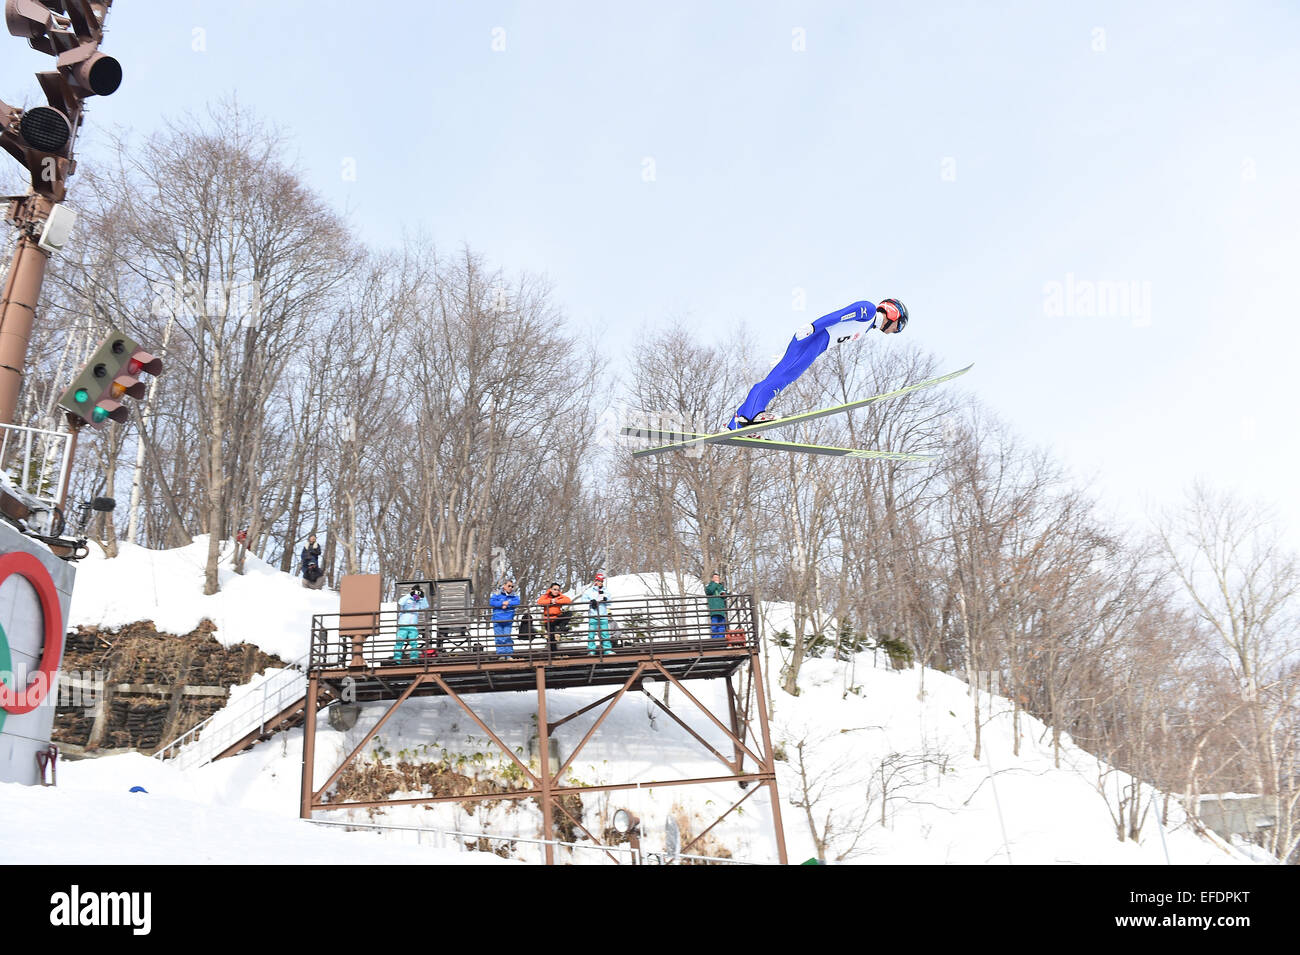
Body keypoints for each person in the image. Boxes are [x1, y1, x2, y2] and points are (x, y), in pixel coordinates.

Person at [728, 298, 908, 429]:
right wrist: (813, 326)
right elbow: (839, 316)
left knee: (782, 379)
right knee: (781, 378)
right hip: (814, 338)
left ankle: (735, 424)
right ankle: (752, 414)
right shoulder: (868, 310)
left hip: (818, 346)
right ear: (893, 313)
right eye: (898, 326)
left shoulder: (868, 327)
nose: (896, 331)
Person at [578, 572, 612, 656]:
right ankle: (591, 650)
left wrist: (605, 599)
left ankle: (607, 650)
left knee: (605, 633)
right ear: (595, 580)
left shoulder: (605, 590)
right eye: (598, 580)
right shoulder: (589, 591)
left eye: (601, 581)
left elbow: (610, 602)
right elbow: (583, 600)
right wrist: (591, 602)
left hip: (603, 615)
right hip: (593, 615)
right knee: (591, 634)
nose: (600, 582)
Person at [394, 585, 429, 662]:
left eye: (418, 592)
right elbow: (400, 602)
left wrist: (423, 597)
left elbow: (425, 606)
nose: (416, 594)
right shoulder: (406, 599)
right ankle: (396, 659)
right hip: (403, 624)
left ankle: (413, 658)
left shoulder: (418, 601)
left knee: (414, 643)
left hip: (413, 625)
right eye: (415, 592)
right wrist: (410, 594)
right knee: (399, 642)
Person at [537, 582, 572, 652]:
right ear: (550, 589)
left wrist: (556, 601)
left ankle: (562, 626)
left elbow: (568, 600)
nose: (556, 591)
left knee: (569, 613)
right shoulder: (546, 596)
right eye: (554, 589)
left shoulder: (559, 596)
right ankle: (553, 654)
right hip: (548, 620)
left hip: (557, 618)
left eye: (558, 590)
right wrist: (550, 601)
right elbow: (540, 602)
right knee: (552, 638)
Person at [490, 579, 521, 657]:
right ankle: (501, 654)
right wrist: (502, 603)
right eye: (509, 586)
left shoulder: (514, 595)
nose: (510, 588)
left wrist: (508, 603)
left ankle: (508, 654)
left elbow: (517, 602)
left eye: (512, 586)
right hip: (497, 619)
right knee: (499, 638)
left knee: (507, 637)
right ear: (504, 586)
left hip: (508, 620)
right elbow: (492, 602)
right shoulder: (497, 594)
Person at [705, 572, 729, 639]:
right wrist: (715, 584)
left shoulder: (721, 586)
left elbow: (725, 595)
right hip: (714, 610)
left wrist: (724, 593)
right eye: (715, 577)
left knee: (722, 626)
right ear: (712, 579)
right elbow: (709, 591)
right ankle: (715, 639)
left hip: (721, 610)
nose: (717, 579)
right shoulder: (709, 586)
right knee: (715, 625)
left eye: (718, 578)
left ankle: (721, 639)